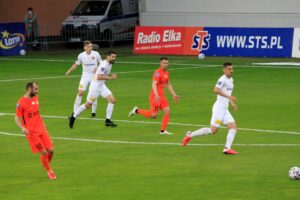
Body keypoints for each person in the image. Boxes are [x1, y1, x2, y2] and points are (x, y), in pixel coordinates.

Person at [182, 63, 239, 154]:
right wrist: (229, 97)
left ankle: (227, 148)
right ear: (224, 70)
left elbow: (227, 94)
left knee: (233, 127)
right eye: (229, 69)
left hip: (225, 109)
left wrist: (232, 103)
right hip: (219, 109)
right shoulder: (222, 79)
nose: (231, 70)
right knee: (213, 131)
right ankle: (190, 135)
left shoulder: (231, 79)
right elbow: (216, 90)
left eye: (232, 69)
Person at [15, 82, 56, 179]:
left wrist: (43, 124)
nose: (37, 91)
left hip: (41, 129)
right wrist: (22, 127)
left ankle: (45, 164)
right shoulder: (21, 103)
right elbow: (16, 118)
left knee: (51, 150)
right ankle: (49, 171)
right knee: (44, 152)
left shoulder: (35, 98)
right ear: (29, 89)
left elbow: (37, 113)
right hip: (31, 132)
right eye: (35, 89)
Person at [128, 57, 180, 135]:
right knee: (153, 115)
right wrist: (156, 95)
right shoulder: (157, 72)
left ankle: (163, 131)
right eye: (164, 63)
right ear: (161, 63)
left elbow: (168, 84)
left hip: (161, 97)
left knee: (167, 111)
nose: (166, 65)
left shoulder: (166, 73)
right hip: (155, 97)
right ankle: (136, 111)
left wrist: (174, 94)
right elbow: (153, 84)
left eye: (167, 63)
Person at [69, 51, 118, 128]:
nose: (114, 58)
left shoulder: (109, 64)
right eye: (112, 57)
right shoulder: (104, 64)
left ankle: (107, 121)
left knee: (112, 101)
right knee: (88, 105)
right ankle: (73, 117)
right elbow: (98, 77)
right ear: (108, 56)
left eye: (115, 57)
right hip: (95, 87)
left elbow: (101, 72)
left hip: (102, 86)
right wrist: (111, 78)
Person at [66, 40, 102, 118]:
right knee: (80, 93)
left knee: (93, 93)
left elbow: (102, 64)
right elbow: (76, 64)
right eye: (89, 46)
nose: (90, 48)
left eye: (91, 46)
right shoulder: (81, 55)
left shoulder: (96, 54)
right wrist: (69, 71)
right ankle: (74, 113)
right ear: (84, 47)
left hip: (94, 76)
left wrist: (98, 68)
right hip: (85, 76)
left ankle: (93, 113)